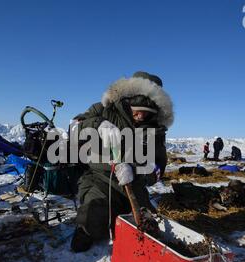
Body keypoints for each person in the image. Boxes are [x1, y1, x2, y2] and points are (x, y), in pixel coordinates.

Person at [70, 71, 174, 252]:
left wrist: (136, 171)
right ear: (129, 97)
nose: (141, 117)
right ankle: (87, 228)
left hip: (134, 188)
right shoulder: (103, 110)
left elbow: (158, 167)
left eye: (146, 114)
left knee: (150, 229)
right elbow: (74, 129)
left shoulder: (156, 130)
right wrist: (96, 124)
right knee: (92, 221)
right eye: (137, 112)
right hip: (100, 179)